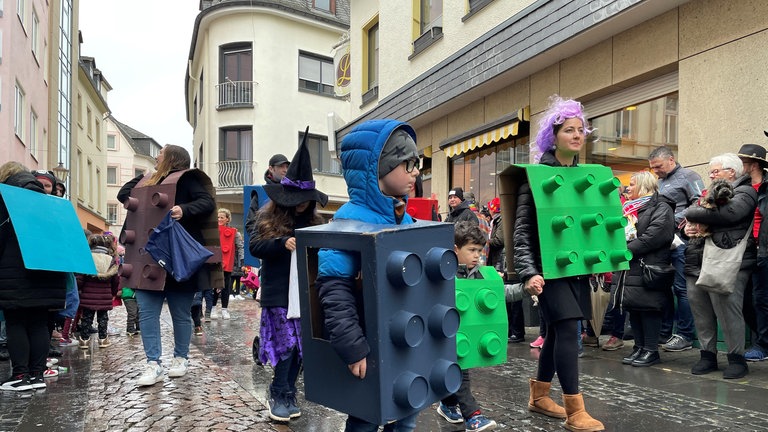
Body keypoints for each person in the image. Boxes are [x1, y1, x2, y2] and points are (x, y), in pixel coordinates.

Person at [315, 120, 422, 432]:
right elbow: (334, 289)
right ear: (377, 168)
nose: (415, 171)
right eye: (407, 163)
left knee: (407, 412)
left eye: (417, 163)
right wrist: (352, 346)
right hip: (369, 345)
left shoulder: (410, 221)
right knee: (365, 416)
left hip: (407, 342)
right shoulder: (348, 221)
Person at [513, 96, 604, 431]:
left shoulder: (583, 178)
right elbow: (522, 229)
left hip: (575, 267)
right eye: (569, 130)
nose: (577, 135)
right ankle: (575, 411)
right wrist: (528, 271)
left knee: (555, 330)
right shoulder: (535, 176)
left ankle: (538, 396)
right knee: (567, 327)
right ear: (553, 136)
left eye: (581, 129)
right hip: (546, 269)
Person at [118, 144, 218, 387]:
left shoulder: (187, 180)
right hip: (147, 260)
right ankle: (153, 363)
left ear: (172, 158)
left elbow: (207, 201)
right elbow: (124, 194)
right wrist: (148, 177)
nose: (156, 154)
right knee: (148, 314)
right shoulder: (148, 180)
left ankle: (180, 359)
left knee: (180, 314)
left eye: (161, 152)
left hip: (177, 258)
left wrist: (184, 209)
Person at [248, 136, 328, 422]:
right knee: (286, 345)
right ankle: (278, 391)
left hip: (306, 296)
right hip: (279, 294)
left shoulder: (316, 224)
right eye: (295, 202)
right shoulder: (267, 218)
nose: (300, 207)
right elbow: (255, 247)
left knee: (301, 348)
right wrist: (282, 244)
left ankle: (288, 391)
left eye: (304, 203)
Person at [684, 153, 756, 379]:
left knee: (728, 310)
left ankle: (737, 359)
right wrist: (686, 228)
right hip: (697, 259)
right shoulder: (708, 192)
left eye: (715, 171)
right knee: (701, 310)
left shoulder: (746, 191)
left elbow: (729, 214)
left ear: (731, 172)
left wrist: (693, 214)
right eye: (711, 171)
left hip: (727, 262)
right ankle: (707, 355)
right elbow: (689, 217)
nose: (711, 175)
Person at [0, 162, 67, 391]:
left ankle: (20, 375)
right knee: (39, 322)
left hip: (14, 272)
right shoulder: (49, 201)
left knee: (16, 321)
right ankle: (37, 376)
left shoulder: (5, 197)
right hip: (47, 272)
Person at [436, 221, 498, 431]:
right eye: (471, 250)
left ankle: (448, 403)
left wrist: (525, 289)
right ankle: (473, 415)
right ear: (455, 249)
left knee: (459, 370)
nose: (476, 256)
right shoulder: (443, 272)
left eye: (479, 251)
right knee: (459, 373)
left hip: (465, 335)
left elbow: (498, 296)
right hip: (446, 333)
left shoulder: (479, 273)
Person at [613, 171, 675, 367]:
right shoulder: (629, 209)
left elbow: (655, 235)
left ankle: (651, 350)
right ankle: (639, 347)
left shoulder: (661, 207)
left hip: (648, 266)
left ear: (644, 186)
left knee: (649, 309)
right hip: (630, 267)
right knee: (635, 308)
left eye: (632, 184)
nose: (627, 188)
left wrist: (627, 250)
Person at [648, 146, 704, 352]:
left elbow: (699, 201)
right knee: (664, 288)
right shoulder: (659, 182)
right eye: (653, 168)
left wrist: (673, 220)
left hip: (681, 240)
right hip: (663, 241)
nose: (656, 171)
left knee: (682, 288)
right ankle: (665, 332)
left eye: (659, 166)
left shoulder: (689, 176)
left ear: (671, 160)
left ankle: (684, 334)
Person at [736, 144, 768, 362]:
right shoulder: (740, 187)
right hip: (744, 251)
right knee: (744, 298)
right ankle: (761, 340)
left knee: (761, 298)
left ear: (754, 165)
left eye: (744, 163)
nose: (740, 167)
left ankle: (763, 344)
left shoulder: (766, 186)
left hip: (764, 250)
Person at [76, 234, 120, 349]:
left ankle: (84, 340)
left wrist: (80, 289)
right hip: (104, 295)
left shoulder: (87, 258)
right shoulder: (111, 260)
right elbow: (115, 280)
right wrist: (113, 293)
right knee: (103, 318)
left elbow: (80, 279)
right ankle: (102, 339)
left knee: (87, 318)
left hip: (88, 295)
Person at [211, 208, 238, 319]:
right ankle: (212, 308)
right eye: (218, 217)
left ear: (227, 219)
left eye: (222, 217)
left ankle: (224, 309)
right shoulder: (212, 230)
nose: (219, 219)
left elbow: (239, 246)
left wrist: (240, 263)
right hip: (215, 262)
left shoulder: (233, 232)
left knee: (226, 287)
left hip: (228, 264)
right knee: (215, 286)